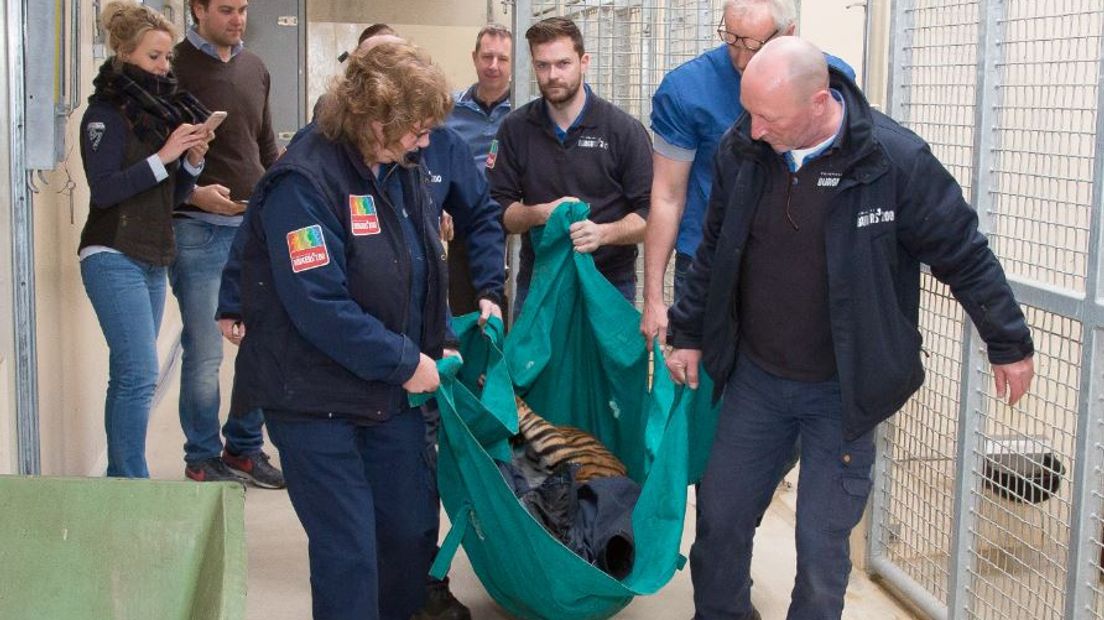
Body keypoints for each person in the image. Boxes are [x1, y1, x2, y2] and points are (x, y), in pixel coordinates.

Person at [665, 37, 1035, 619]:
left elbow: (962, 251)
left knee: (819, 550)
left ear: (818, 102)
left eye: (769, 118)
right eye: (750, 113)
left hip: (843, 391)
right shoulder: (744, 149)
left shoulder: (892, 160)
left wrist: (1008, 341)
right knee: (720, 519)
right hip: (757, 380)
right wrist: (687, 332)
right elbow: (715, 250)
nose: (753, 130)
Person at [225, 40, 454, 620]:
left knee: (408, 537)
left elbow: (422, 266)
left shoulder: (399, 168)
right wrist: (406, 363)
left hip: (388, 396)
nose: (424, 142)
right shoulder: (303, 182)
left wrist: (440, 337)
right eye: (415, 129)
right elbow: (319, 305)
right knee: (349, 554)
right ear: (374, 116)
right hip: (314, 400)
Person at [640, 0, 853, 347]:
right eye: (732, 39)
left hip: (798, 259)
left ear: (788, 34)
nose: (740, 58)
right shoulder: (685, 91)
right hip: (708, 262)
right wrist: (653, 299)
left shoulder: (830, 80)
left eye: (753, 45)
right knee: (700, 379)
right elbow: (666, 196)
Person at [79, 0, 212, 478]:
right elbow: (106, 188)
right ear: (124, 54)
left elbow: (171, 193)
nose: (164, 66)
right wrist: (166, 153)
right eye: (154, 57)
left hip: (154, 254)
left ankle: (122, 478)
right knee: (138, 374)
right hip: (112, 252)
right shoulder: (104, 114)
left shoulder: (158, 112)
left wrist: (191, 160)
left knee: (134, 374)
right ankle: (133, 483)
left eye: (167, 58)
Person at [170, 0, 284, 488]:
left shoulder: (255, 66)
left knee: (259, 346)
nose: (237, 19)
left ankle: (244, 448)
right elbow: (156, 149)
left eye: (242, 9)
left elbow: (263, 145)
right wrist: (194, 193)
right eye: (225, 9)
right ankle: (201, 455)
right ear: (197, 9)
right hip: (196, 227)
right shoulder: (172, 66)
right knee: (205, 353)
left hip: (250, 229)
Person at [488, 17, 652, 315]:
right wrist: (541, 213)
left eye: (563, 63)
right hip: (540, 283)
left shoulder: (623, 130)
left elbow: (649, 215)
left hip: (608, 283)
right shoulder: (515, 129)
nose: (552, 75)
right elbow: (499, 209)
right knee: (533, 361)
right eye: (542, 65)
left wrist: (602, 233)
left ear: (584, 61)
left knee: (606, 363)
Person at [444, 23, 512, 315]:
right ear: (474, 58)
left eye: (502, 58)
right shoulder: (448, 111)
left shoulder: (526, 112)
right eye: (487, 57)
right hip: (464, 223)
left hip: (512, 224)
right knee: (467, 313)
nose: (493, 66)